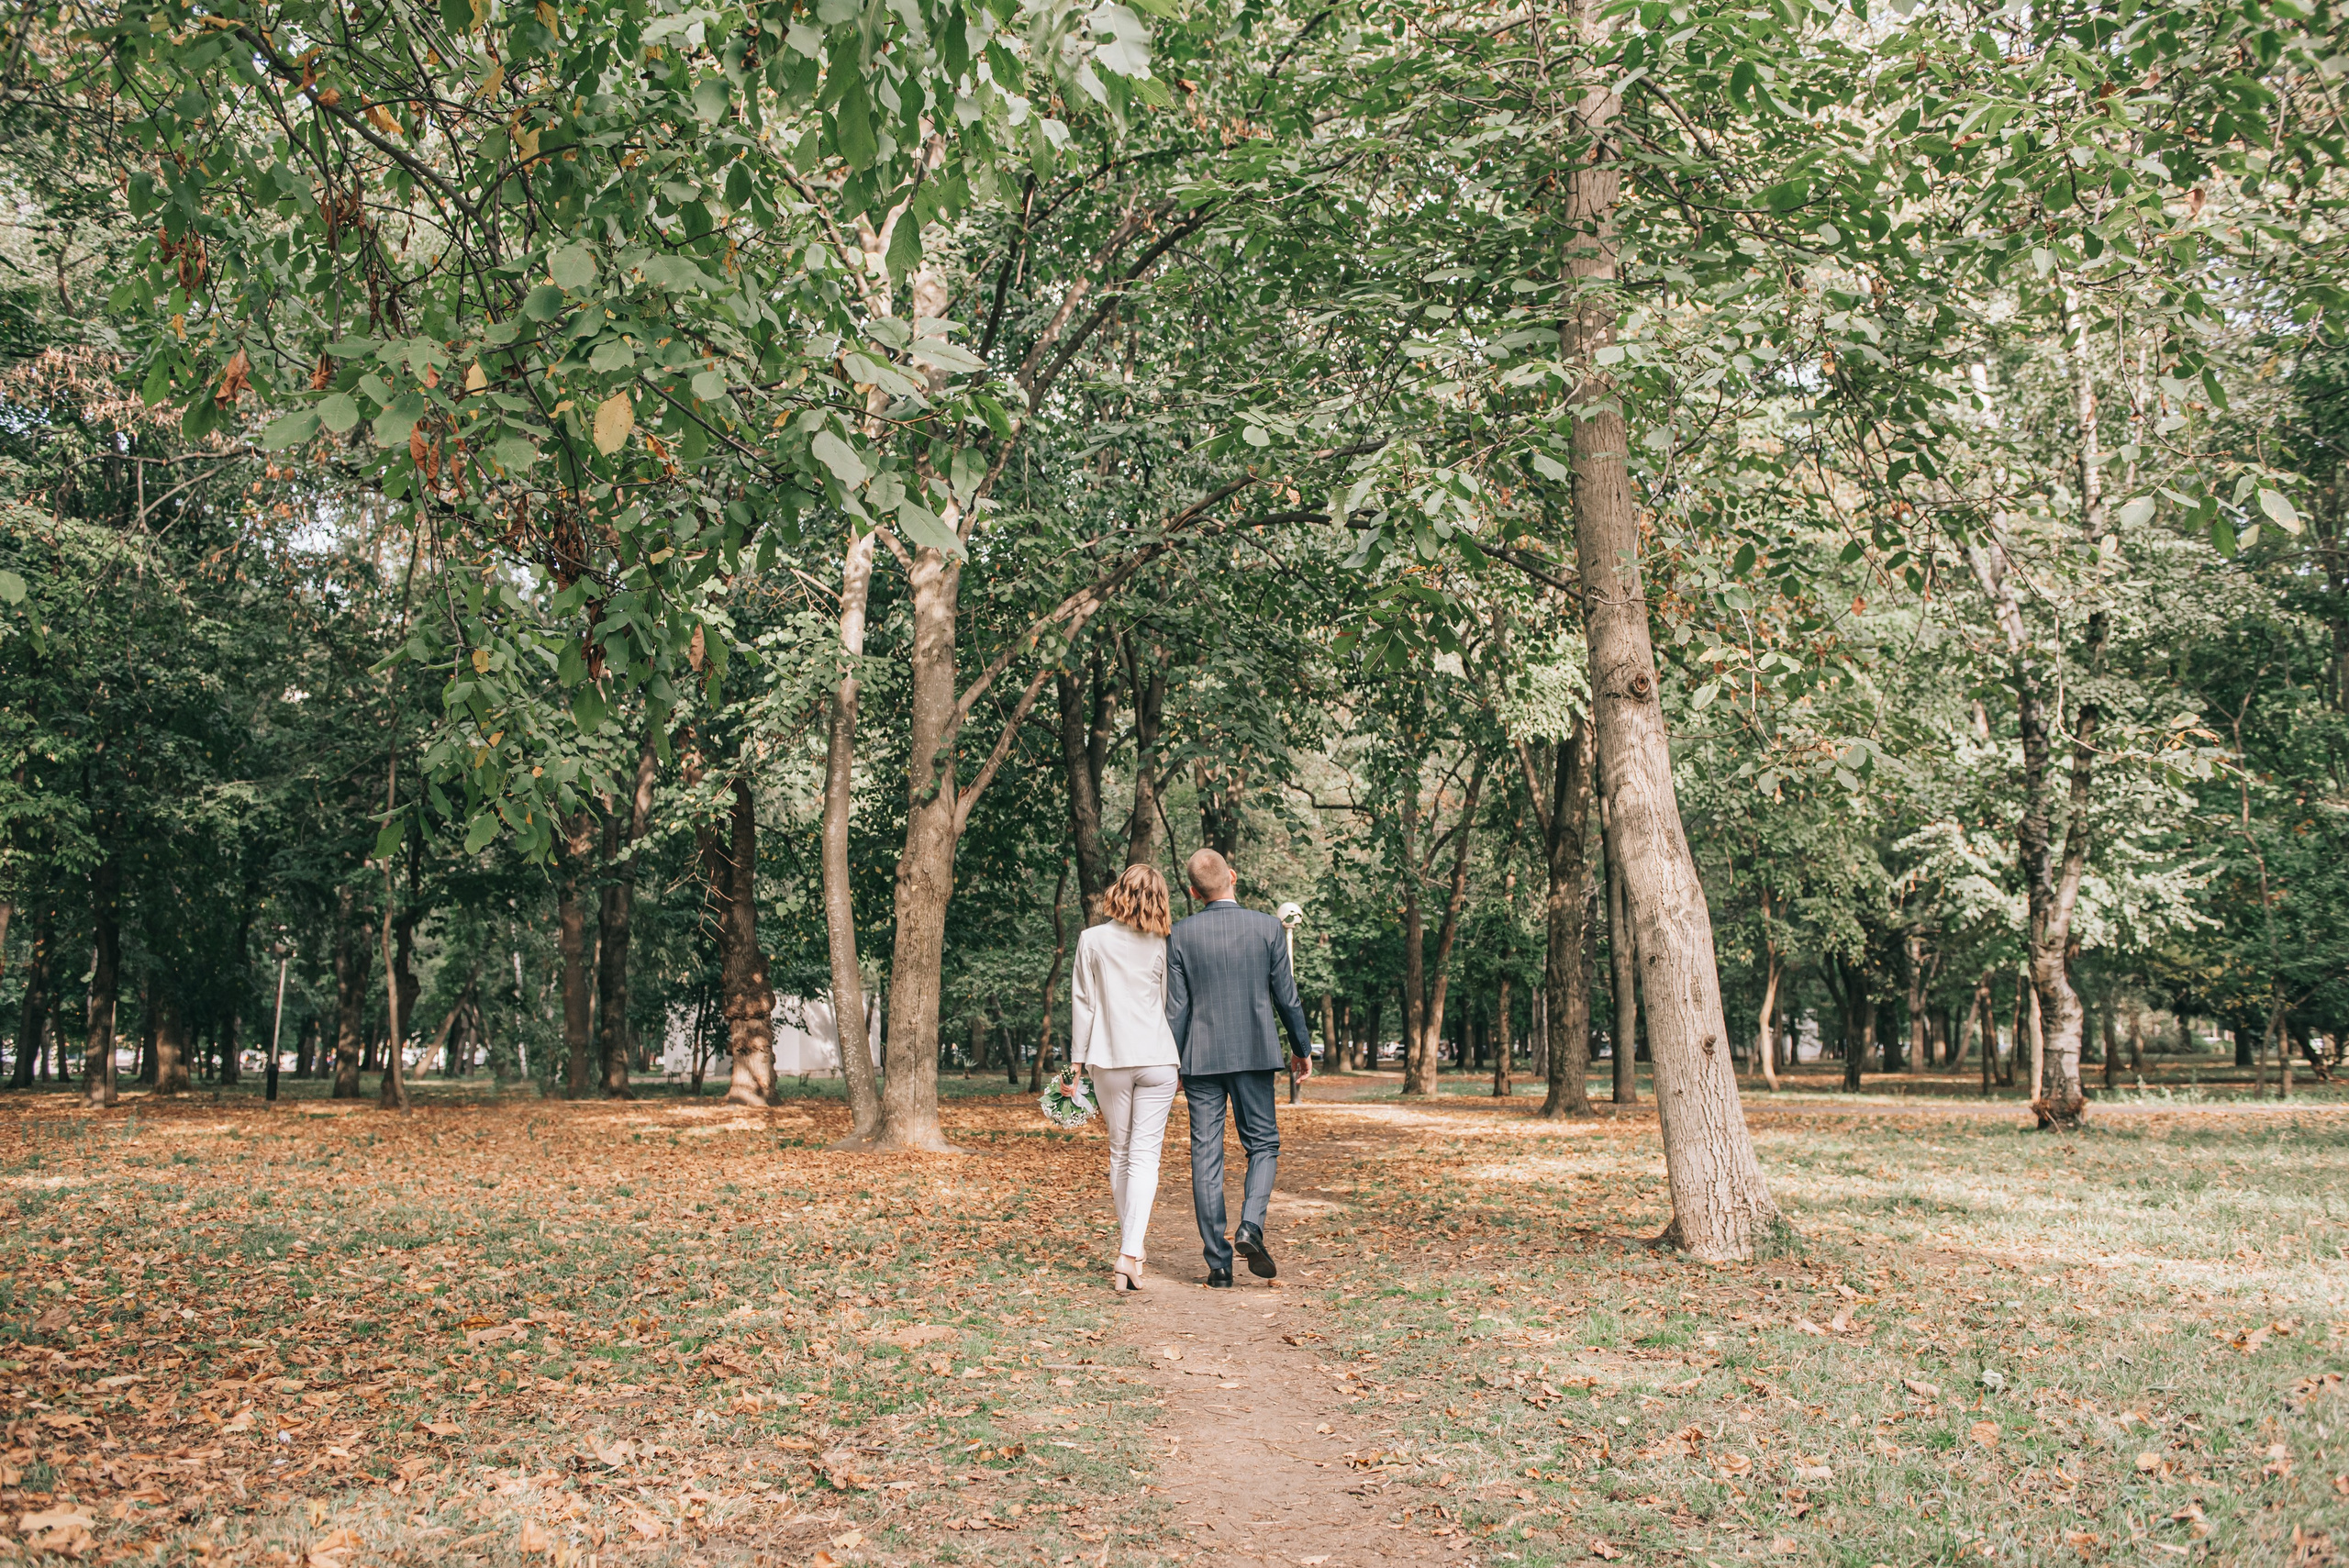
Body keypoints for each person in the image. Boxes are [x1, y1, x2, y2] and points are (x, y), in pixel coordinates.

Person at [1165, 848, 1312, 1287]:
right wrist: (1301, 1048)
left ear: (1193, 891)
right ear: (1232, 875)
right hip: (1253, 1052)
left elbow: (1176, 1009)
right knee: (1263, 1143)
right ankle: (1251, 1226)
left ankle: (1219, 1265)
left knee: (1206, 1155)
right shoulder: (1267, 927)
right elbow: (1287, 997)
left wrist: (1172, 1064)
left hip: (1200, 1058)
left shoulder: (1180, 934)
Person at [1069, 863, 1183, 1294]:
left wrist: (1075, 1065)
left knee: (1121, 1152)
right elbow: (1171, 1004)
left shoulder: (1091, 940)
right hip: (1157, 1057)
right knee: (1145, 1155)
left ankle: (1130, 1249)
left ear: (1118, 892)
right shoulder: (1163, 943)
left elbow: (1084, 1005)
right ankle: (1130, 1251)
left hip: (1108, 1058)